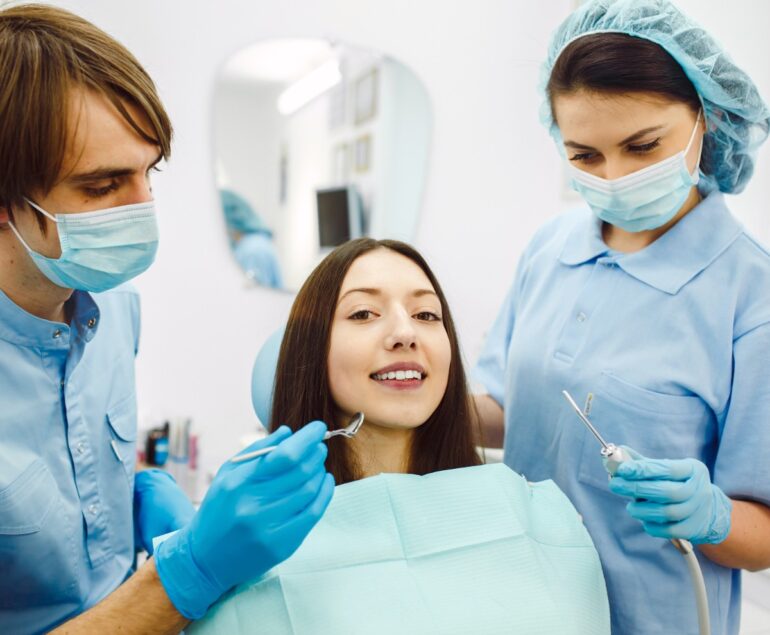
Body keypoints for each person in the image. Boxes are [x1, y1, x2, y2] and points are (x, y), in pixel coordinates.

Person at [0, 5, 333, 634]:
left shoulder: (114, 308)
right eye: (103, 186)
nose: (144, 208)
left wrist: (137, 493)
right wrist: (189, 571)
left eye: (148, 172)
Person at [474, 1, 770, 633]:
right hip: (518, 605)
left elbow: (763, 537)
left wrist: (712, 516)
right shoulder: (550, 249)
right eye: (585, 156)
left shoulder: (752, 297)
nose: (615, 177)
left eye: (643, 146)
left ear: (707, 119)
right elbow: (509, 411)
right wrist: (391, 393)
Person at [269, 237, 483, 482]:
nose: (405, 333)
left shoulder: (501, 496)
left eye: (425, 314)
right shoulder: (273, 504)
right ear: (312, 346)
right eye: (363, 313)